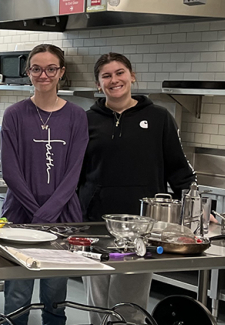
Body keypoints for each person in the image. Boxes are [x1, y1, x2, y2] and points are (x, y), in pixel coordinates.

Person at [79, 52, 196, 323]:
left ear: (132, 76)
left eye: (120, 72)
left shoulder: (159, 118)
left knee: (129, 304)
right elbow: (75, 173)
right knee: (97, 303)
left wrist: (195, 207)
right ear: (98, 84)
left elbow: (178, 168)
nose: (114, 80)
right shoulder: (86, 120)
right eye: (106, 75)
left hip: (142, 227)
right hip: (95, 223)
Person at [0, 43, 88, 325]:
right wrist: (37, 214)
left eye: (51, 69)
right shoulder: (14, 114)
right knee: (16, 297)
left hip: (62, 220)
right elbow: (10, 172)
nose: (44, 75)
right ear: (28, 73)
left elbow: (74, 172)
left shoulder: (76, 116)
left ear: (61, 72)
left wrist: (49, 213)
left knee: (55, 297)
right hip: (20, 220)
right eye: (36, 69)